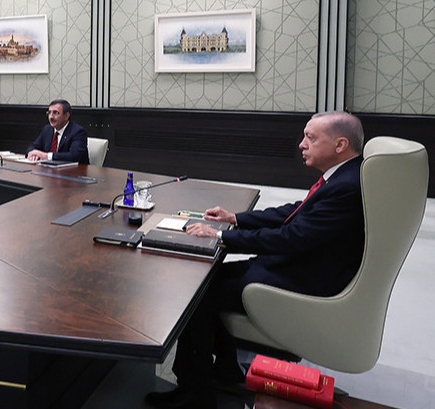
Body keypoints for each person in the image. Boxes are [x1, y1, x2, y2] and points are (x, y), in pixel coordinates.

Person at [145, 112, 367, 409]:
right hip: (302, 266)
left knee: (195, 293)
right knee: (207, 280)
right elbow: (296, 212)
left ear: (340, 145)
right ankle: (225, 368)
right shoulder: (346, 175)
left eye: (311, 138)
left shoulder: (345, 187)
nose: (302, 144)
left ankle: (195, 394)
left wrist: (221, 236)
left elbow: (291, 238)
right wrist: (235, 219)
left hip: (303, 280)